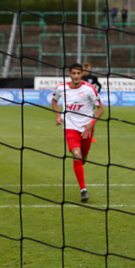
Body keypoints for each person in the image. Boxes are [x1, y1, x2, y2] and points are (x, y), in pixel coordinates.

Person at [51, 62, 103, 203]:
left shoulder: (90, 89)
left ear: (82, 74)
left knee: (83, 158)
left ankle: (79, 166)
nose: (76, 76)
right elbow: (54, 101)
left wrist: (90, 124)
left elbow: (101, 109)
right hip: (70, 127)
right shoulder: (61, 88)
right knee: (76, 154)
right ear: (69, 74)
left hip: (86, 129)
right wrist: (57, 116)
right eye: (73, 73)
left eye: (78, 73)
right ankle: (83, 190)